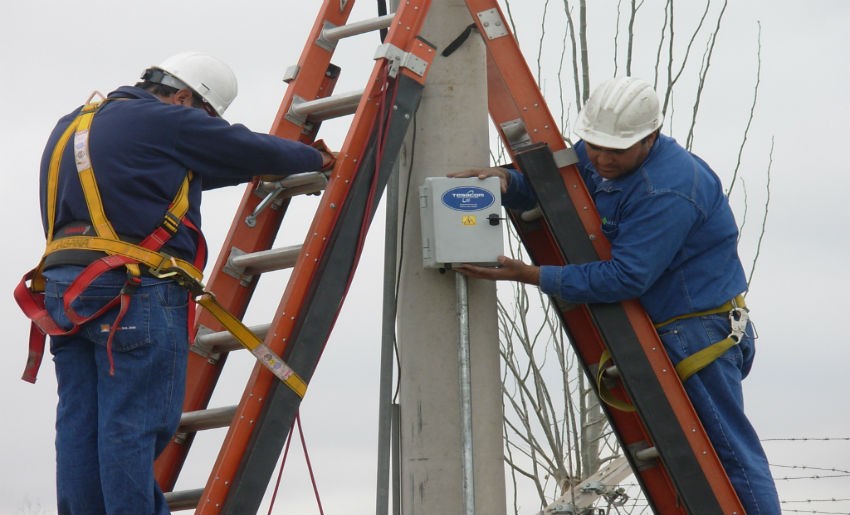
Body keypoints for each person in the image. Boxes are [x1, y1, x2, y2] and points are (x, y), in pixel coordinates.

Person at [450, 77, 781, 514]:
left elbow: (626, 277)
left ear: (650, 137)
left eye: (615, 150)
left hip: (699, 332)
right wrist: (508, 182)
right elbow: (563, 188)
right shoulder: (606, 156)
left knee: (727, 459)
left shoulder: (669, 189)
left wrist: (529, 274)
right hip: (670, 325)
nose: (601, 158)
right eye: (593, 145)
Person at [29, 51, 334, 514]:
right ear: (184, 97)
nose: (205, 125)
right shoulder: (165, 119)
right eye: (205, 117)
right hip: (134, 290)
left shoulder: (75, 125)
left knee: (80, 425)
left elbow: (187, 169)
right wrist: (312, 157)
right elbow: (244, 147)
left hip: (65, 292)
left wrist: (250, 171)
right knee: (133, 422)